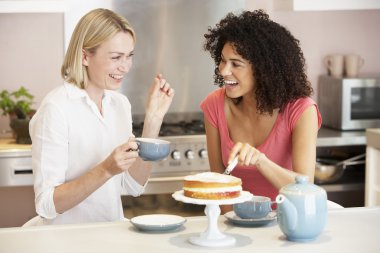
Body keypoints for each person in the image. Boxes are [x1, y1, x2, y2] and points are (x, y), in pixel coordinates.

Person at [29, 8, 175, 225]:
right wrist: (105, 169)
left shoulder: (119, 104)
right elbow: (47, 205)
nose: (125, 67)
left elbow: (133, 186)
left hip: (110, 235)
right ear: (85, 56)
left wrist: (153, 120)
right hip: (66, 241)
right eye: (116, 57)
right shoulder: (56, 109)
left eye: (129, 56)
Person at [200, 10, 321, 213]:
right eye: (222, 60)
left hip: (287, 224)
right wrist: (230, 228)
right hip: (236, 225)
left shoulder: (301, 110)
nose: (223, 71)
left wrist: (261, 161)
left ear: (263, 69)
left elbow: (305, 189)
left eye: (235, 64)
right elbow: (220, 183)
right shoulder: (214, 105)